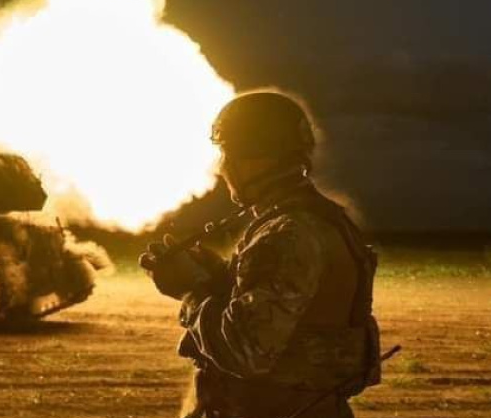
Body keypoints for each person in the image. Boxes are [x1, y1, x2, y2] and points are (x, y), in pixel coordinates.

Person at [139, 92, 381, 418]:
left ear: (256, 158)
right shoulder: (313, 220)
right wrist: (217, 279)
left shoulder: (287, 234)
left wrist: (190, 292)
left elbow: (245, 350)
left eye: (227, 152)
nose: (221, 167)